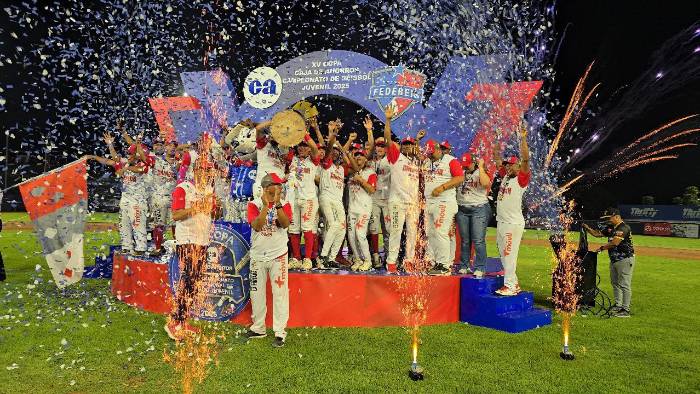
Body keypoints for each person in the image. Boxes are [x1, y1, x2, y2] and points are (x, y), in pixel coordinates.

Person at [165, 156, 219, 340]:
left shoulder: (210, 189)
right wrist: (194, 208)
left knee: (193, 283)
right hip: (187, 240)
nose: (205, 173)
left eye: (208, 170)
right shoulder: (183, 188)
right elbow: (176, 215)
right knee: (188, 280)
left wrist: (215, 207)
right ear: (195, 171)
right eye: (202, 169)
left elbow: (214, 214)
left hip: (202, 241)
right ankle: (174, 322)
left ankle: (182, 321)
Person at [245, 173, 293, 348]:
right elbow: (257, 226)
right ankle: (258, 328)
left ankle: (280, 332)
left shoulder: (285, 204)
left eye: (279, 186)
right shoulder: (253, 204)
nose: (278, 189)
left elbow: (285, 224)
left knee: (280, 294)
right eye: (275, 186)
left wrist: (277, 203)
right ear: (266, 188)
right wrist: (265, 207)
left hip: (278, 255)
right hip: (258, 256)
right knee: (256, 293)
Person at [492, 123, 530, 296]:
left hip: (512, 223)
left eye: (511, 165)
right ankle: (513, 283)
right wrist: (498, 138)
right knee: (503, 254)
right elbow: (496, 156)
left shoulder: (521, 179)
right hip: (502, 222)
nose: (507, 167)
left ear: (518, 166)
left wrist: (522, 138)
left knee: (508, 255)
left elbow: (526, 159)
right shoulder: (506, 176)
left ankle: (510, 286)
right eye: (507, 165)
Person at [383, 105, 421, 273]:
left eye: (409, 145)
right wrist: (388, 120)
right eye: (404, 145)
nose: (407, 147)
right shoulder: (396, 158)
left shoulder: (417, 162)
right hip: (397, 203)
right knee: (396, 233)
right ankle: (391, 263)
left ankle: (409, 261)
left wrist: (418, 142)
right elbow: (387, 140)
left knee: (413, 234)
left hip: (413, 204)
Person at [583, 208, 635, 318]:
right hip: (614, 260)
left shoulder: (623, 228)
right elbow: (597, 234)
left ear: (616, 216)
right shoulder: (611, 228)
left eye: (610, 218)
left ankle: (626, 309)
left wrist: (601, 248)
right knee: (615, 283)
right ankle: (618, 305)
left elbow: (615, 243)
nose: (609, 220)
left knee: (624, 284)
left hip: (624, 260)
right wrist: (587, 228)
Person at [317, 120, 355, 269]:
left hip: (338, 201)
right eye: (332, 151)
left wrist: (345, 144)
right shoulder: (327, 163)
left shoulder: (342, 169)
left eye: (337, 151)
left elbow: (352, 164)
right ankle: (323, 256)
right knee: (333, 224)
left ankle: (332, 258)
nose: (335, 153)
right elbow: (329, 150)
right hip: (326, 197)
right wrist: (333, 134)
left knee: (342, 228)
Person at [422, 140, 464, 275]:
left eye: (431, 153)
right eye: (428, 154)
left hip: (444, 202)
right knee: (431, 233)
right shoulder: (427, 162)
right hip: (430, 202)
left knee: (441, 232)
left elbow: (460, 178)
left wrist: (442, 187)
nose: (429, 156)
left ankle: (444, 265)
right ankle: (437, 262)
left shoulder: (451, 161)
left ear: (438, 149)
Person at [288, 134, 321, 271]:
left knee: (307, 228)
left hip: (308, 199)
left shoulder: (313, 160)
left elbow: (314, 147)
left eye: (304, 146)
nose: (302, 148)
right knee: (293, 230)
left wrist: (304, 134)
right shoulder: (292, 159)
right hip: (292, 198)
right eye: (300, 145)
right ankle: (296, 258)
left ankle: (307, 259)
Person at [455, 153, 492, 277]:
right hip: (462, 208)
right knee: (465, 240)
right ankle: (464, 265)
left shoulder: (480, 172)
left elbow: (486, 183)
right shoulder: (461, 172)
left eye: (468, 165)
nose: (465, 167)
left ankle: (480, 267)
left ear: (474, 163)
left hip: (479, 208)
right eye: (464, 165)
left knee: (478, 240)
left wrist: (481, 167)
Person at [347, 148, 377, 271]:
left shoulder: (371, 172)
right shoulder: (350, 171)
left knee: (360, 234)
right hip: (352, 208)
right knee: (351, 235)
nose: (358, 157)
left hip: (364, 208)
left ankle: (368, 261)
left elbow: (372, 190)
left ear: (366, 159)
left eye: (361, 155)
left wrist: (361, 181)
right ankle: (358, 259)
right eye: (356, 155)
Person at [147, 139, 178, 256]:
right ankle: (159, 248)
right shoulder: (157, 160)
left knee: (175, 224)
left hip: (174, 197)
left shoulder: (178, 163)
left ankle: (178, 248)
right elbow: (144, 157)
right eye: (170, 145)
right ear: (165, 147)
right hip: (159, 197)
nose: (172, 148)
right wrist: (138, 143)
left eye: (174, 146)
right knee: (159, 224)